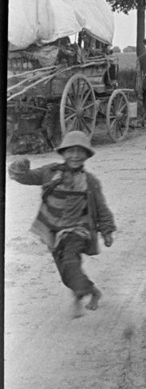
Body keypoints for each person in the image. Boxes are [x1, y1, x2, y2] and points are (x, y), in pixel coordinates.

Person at [8, 130, 116, 318]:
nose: (75, 156)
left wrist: (107, 231)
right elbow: (28, 177)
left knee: (70, 259)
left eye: (80, 152)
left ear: (86, 155)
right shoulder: (49, 172)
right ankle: (91, 290)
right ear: (63, 153)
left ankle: (80, 293)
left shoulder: (90, 181)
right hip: (53, 231)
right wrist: (20, 169)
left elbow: (101, 207)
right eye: (70, 151)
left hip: (78, 230)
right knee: (66, 272)